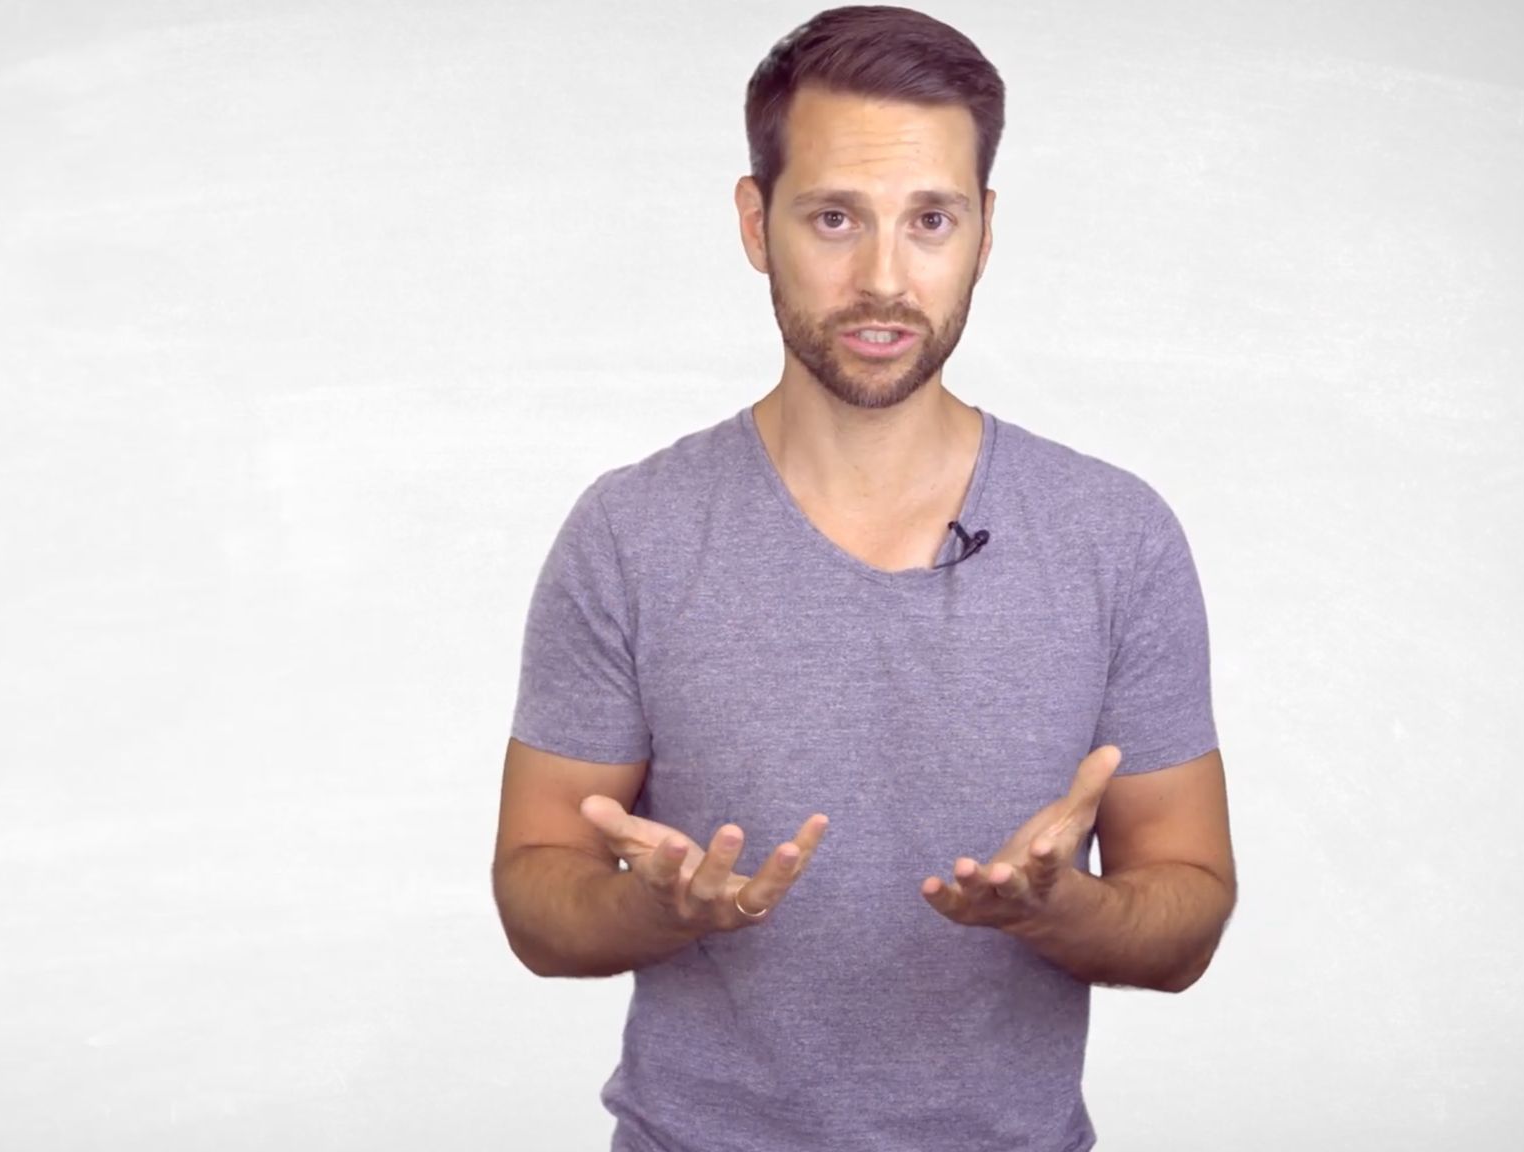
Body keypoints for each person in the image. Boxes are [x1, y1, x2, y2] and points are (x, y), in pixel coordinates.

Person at [489, 6, 1238, 1150]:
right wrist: (649, 909)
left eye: (928, 219)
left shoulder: (1111, 536)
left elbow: (1185, 914)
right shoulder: (630, 533)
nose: (883, 278)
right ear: (755, 222)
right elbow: (535, 898)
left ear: (983, 231)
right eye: (833, 217)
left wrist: (1064, 909)